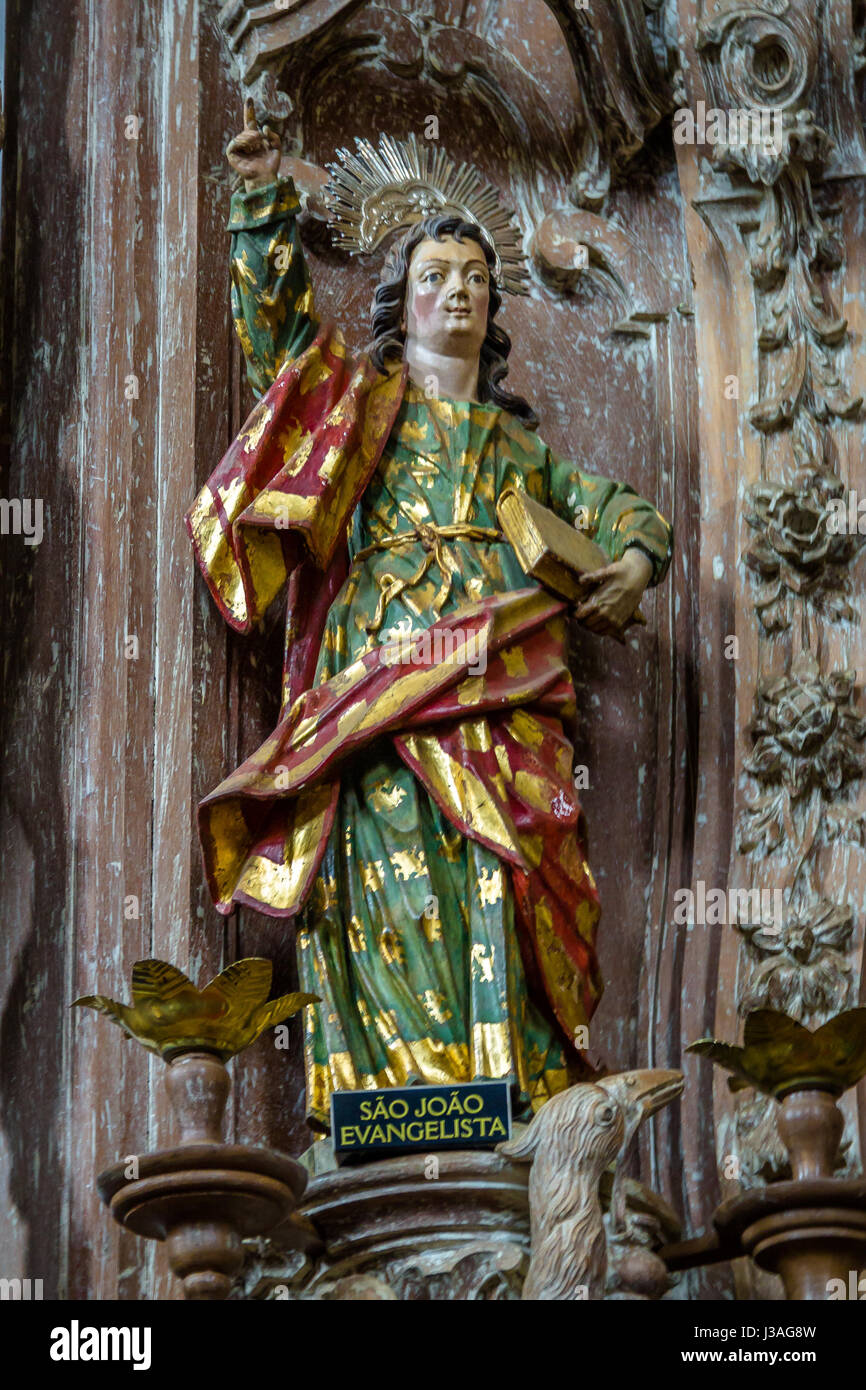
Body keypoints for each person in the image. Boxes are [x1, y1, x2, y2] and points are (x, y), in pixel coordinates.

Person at [186, 104, 673, 1130]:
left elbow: (618, 514)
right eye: (436, 277)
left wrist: (632, 561)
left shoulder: (516, 452)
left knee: (501, 874)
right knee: (380, 876)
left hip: (503, 694)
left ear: (492, 310)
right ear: (401, 302)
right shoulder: (356, 411)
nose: (456, 291)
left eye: (475, 279)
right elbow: (278, 343)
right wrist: (262, 204)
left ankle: (514, 1097)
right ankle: (382, 1103)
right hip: (378, 686)